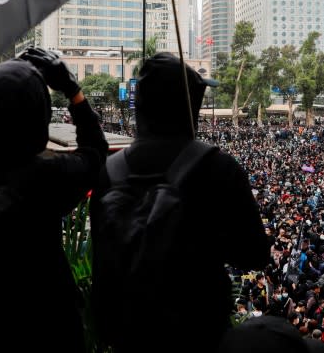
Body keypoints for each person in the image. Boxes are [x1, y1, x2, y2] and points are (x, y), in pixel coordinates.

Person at [0, 49, 108, 352]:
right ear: (40, 120)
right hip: (43, 332)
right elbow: (95, 152)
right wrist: (72, 90)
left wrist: (10, 80)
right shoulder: (46, 178)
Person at [91, 53, 269, 352]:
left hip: (130, 337)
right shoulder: (218, 167)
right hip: (198, 333)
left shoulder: (108, 172)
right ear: (190, 106)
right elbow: (254, 255)